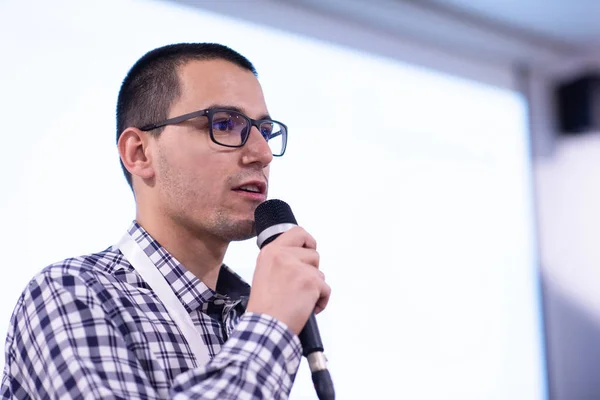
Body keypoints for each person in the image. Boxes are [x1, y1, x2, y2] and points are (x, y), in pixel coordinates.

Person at [1, 43, 331, 399]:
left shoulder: (246, 317)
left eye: (264, 131)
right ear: (139, 153)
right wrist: (270, 325)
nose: (263, 153)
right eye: (224, 124)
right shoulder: (72, 293)